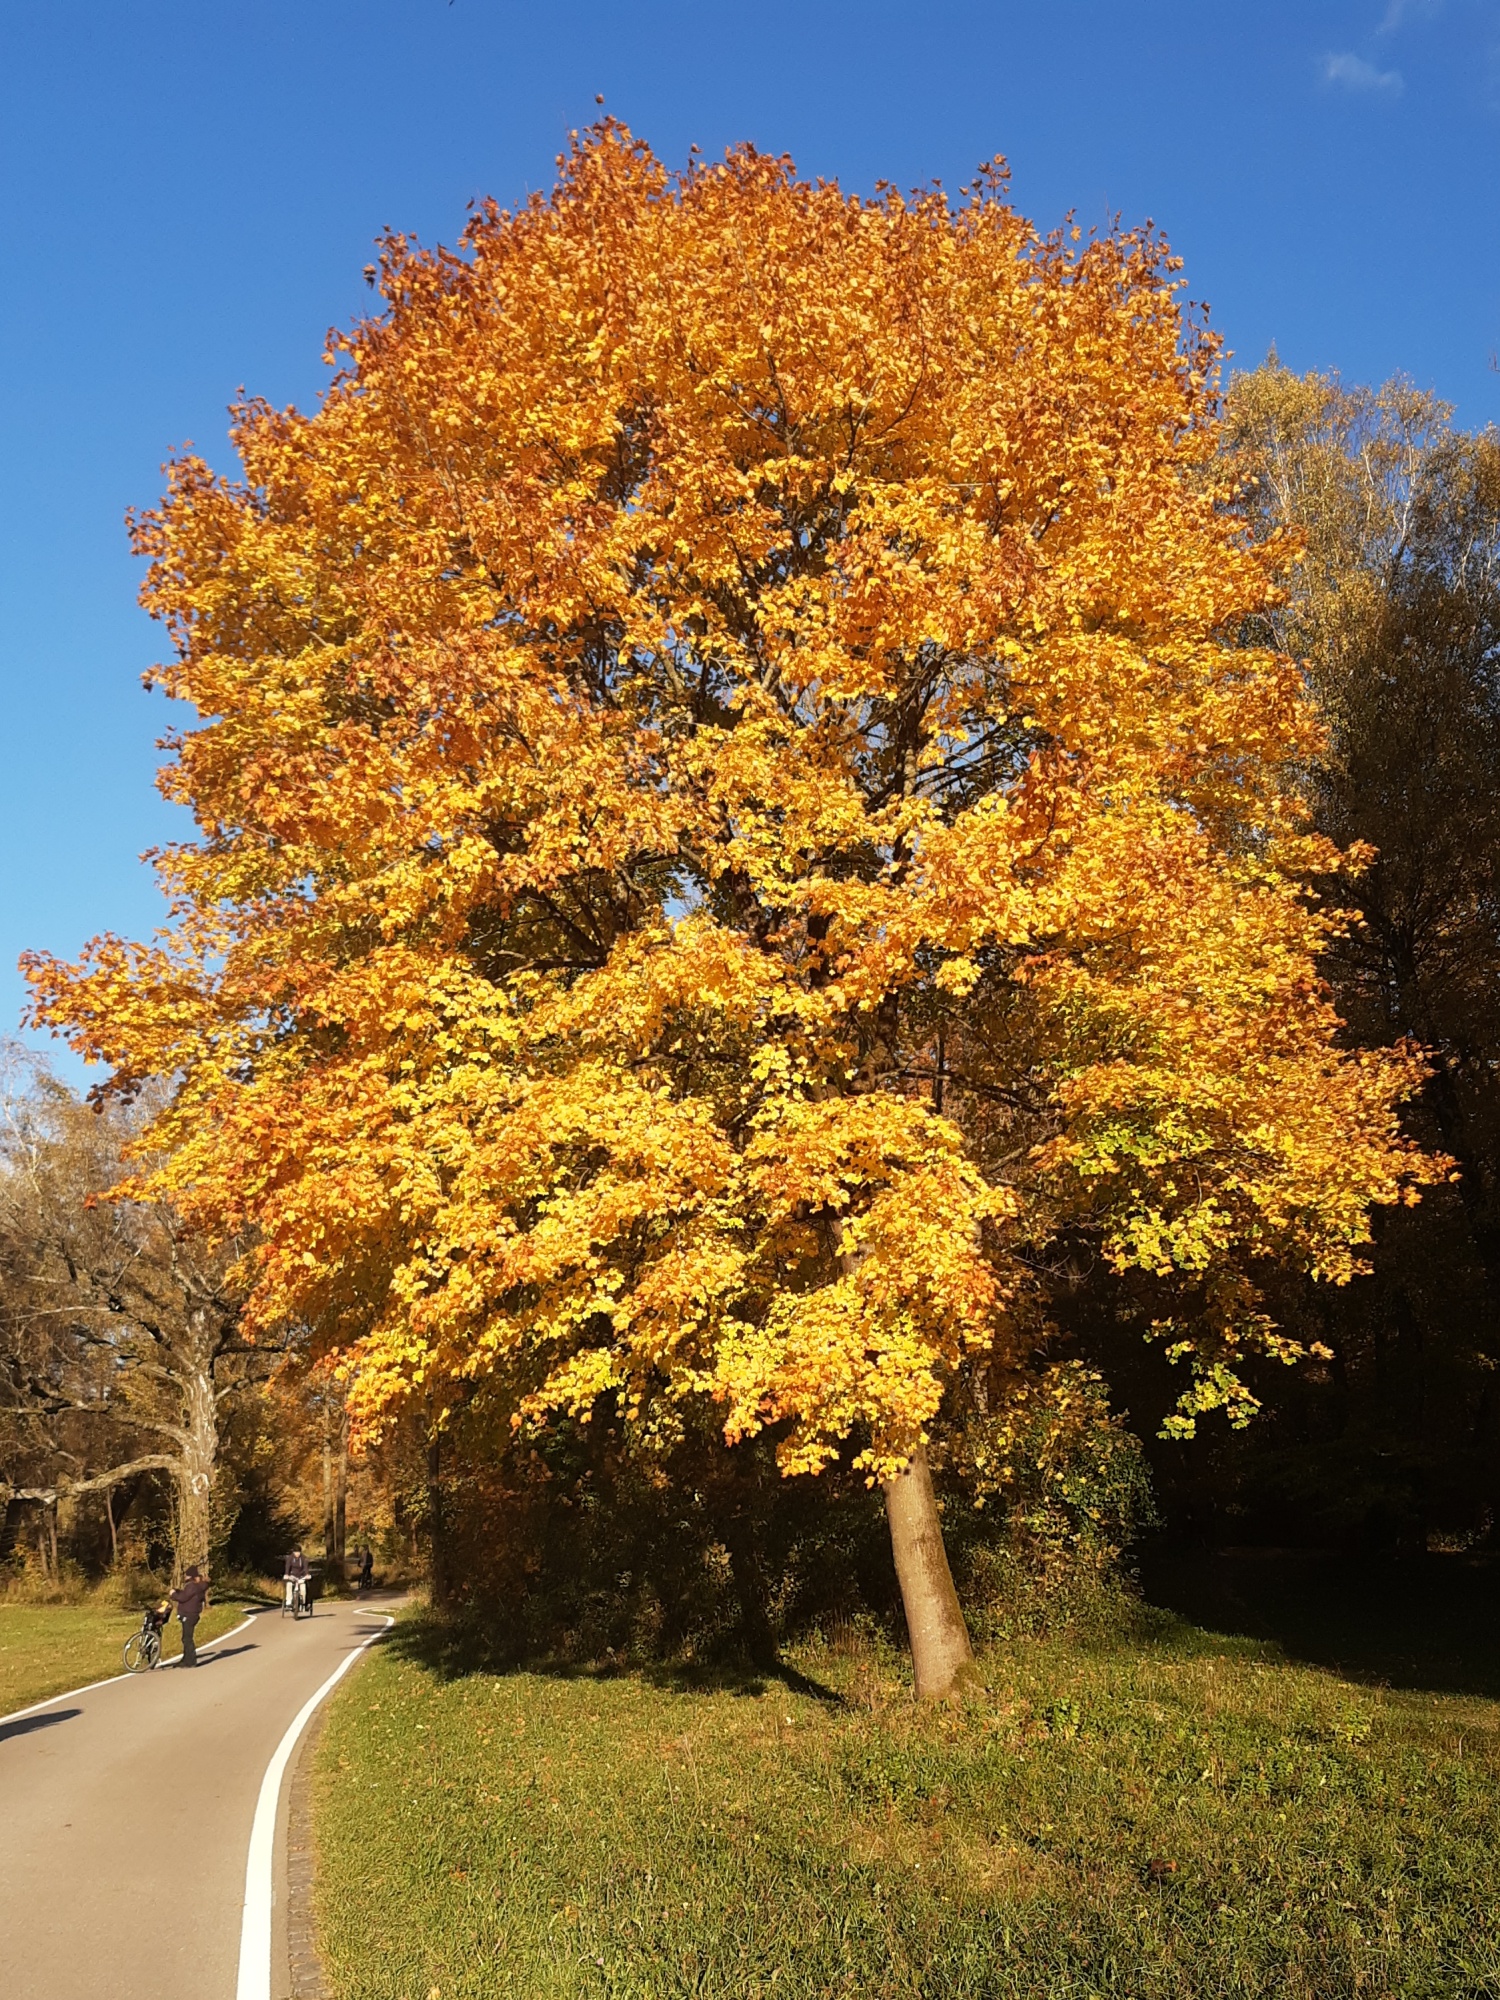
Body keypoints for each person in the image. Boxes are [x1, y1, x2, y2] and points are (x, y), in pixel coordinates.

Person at [169, 1565, 210, 1667]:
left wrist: (173, 1594)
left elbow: (183, 1598)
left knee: (187, 1638)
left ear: (190, 1576)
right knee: (186, 1638)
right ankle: (186, 1658)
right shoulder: (199, 1585)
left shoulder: (192, 1586)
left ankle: (191, 1661)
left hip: (189, 1614)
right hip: (193, 1614)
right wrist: (179, 1591)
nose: (185, 1577)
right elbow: (187, 1595)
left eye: (187, 1575)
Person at [284, 1545, 310, 1615]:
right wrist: (286, 1574)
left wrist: (307, 1574)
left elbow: (306, 1567)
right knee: (289, 1585)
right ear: (293, 1552)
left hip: (301, 1576)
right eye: (296, 1552)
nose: (297, 1554)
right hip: (292, 1576)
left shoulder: (304, 1558)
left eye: (298, 1552)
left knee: (303, 1588)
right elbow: (287, 1566)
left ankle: (304, 1603)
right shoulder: (290, 1558)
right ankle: (288, 1601)